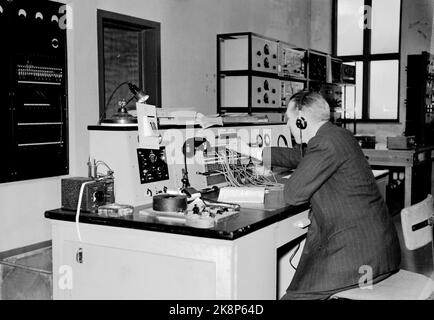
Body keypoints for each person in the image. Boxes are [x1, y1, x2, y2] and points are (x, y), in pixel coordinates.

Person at [233, 90, 401, 300]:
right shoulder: (338, 135)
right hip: (378, 249)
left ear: (301, 121)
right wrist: (251, 151)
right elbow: (300, 156)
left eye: (289, 119)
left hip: (357, 257)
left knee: (292, 299)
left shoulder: (324, 144)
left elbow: (293, 194)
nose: (287, 126)